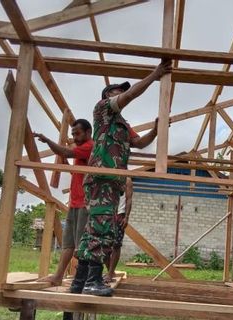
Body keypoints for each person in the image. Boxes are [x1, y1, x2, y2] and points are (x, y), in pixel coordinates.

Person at [70, 59, 172, 297]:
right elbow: (130, 96)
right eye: (118, 91)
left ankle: (80, 281)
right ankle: (93, 281)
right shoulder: (102, 110)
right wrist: (155, 74)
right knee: (102, 227)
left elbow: (139, 143)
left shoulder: (123, 125)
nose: (123, 93)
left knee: (93, 229)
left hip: (112, 182)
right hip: (102, 177)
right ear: (108, 95)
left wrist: (156, 130)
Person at [33, 119, 93, 287]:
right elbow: (76, 169)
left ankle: (83, 279)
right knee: (68, 245)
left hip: (84, 203)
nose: (74, 137)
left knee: (82, 246)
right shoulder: (79, 151)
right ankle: (58, 276)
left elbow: (66, 152)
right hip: (75, 202)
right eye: (72, 134)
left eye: (77, 133)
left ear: (88, 132)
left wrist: (47, 141)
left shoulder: (90, 146)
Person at [104, 177, 133, 283]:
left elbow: (129, 199)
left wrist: (126, 217)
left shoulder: (127, 180)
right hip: (105, 214)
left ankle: (110, 273)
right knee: (103, 245)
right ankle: (110, 271)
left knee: (116, 244)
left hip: (119, 215)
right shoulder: (108, 175)